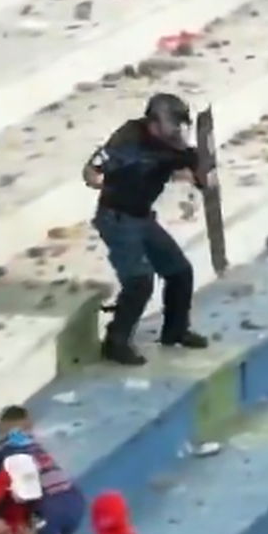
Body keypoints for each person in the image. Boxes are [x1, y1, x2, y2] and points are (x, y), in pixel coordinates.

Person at [83, 93, 207, 364]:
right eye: (172, 125)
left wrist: (201, 175)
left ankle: (175, 331)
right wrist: (106, 180)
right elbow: (92, 170)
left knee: (179, 271)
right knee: (139, 281)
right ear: (155, 122)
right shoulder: (128, 138)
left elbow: (194, 166)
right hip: (116, 219)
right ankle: (116, 341)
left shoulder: (172, 147)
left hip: (142, 218)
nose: (177, 131)